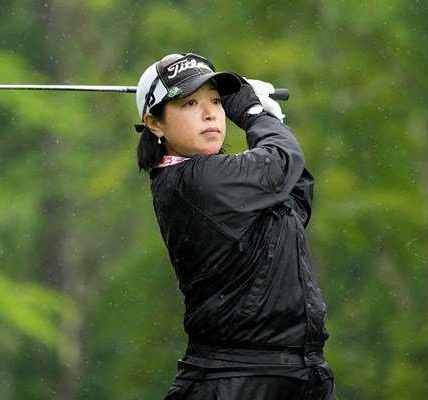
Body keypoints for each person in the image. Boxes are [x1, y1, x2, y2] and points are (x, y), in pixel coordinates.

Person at [134, 53, 337, 399]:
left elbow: (296, 201)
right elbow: (282, 163)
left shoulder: (224, 177)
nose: (210, 112)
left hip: (301, 374)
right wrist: (255, 113)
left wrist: (273, 120)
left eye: (215, 100)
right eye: (189, 103)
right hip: (232, 379)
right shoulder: (194, 181)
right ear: (154, 124)